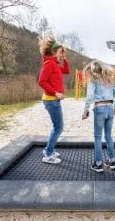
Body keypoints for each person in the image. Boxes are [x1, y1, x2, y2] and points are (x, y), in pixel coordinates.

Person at [82, 60, 115, 173]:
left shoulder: (93, 80)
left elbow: (90, 96)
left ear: (92, 70)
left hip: (99, 108)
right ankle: (111, 161)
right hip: (110, 108)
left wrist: (86, 110)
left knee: (98, 137)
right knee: (108, 135)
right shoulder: (108, 80)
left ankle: (98, 164)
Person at [38, 36, 70, 164]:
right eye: (60, 52)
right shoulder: (49, 64)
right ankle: (48, 153)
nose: (62, 54)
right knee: (58, 127)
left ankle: (49, 150)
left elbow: (66, 71)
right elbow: (41, 81)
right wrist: (56, 93)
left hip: (53, 100)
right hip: (51, 100)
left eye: (63, 52)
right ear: (54, 51)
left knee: (58, 126)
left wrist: (65, 59)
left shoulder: (55, 64)